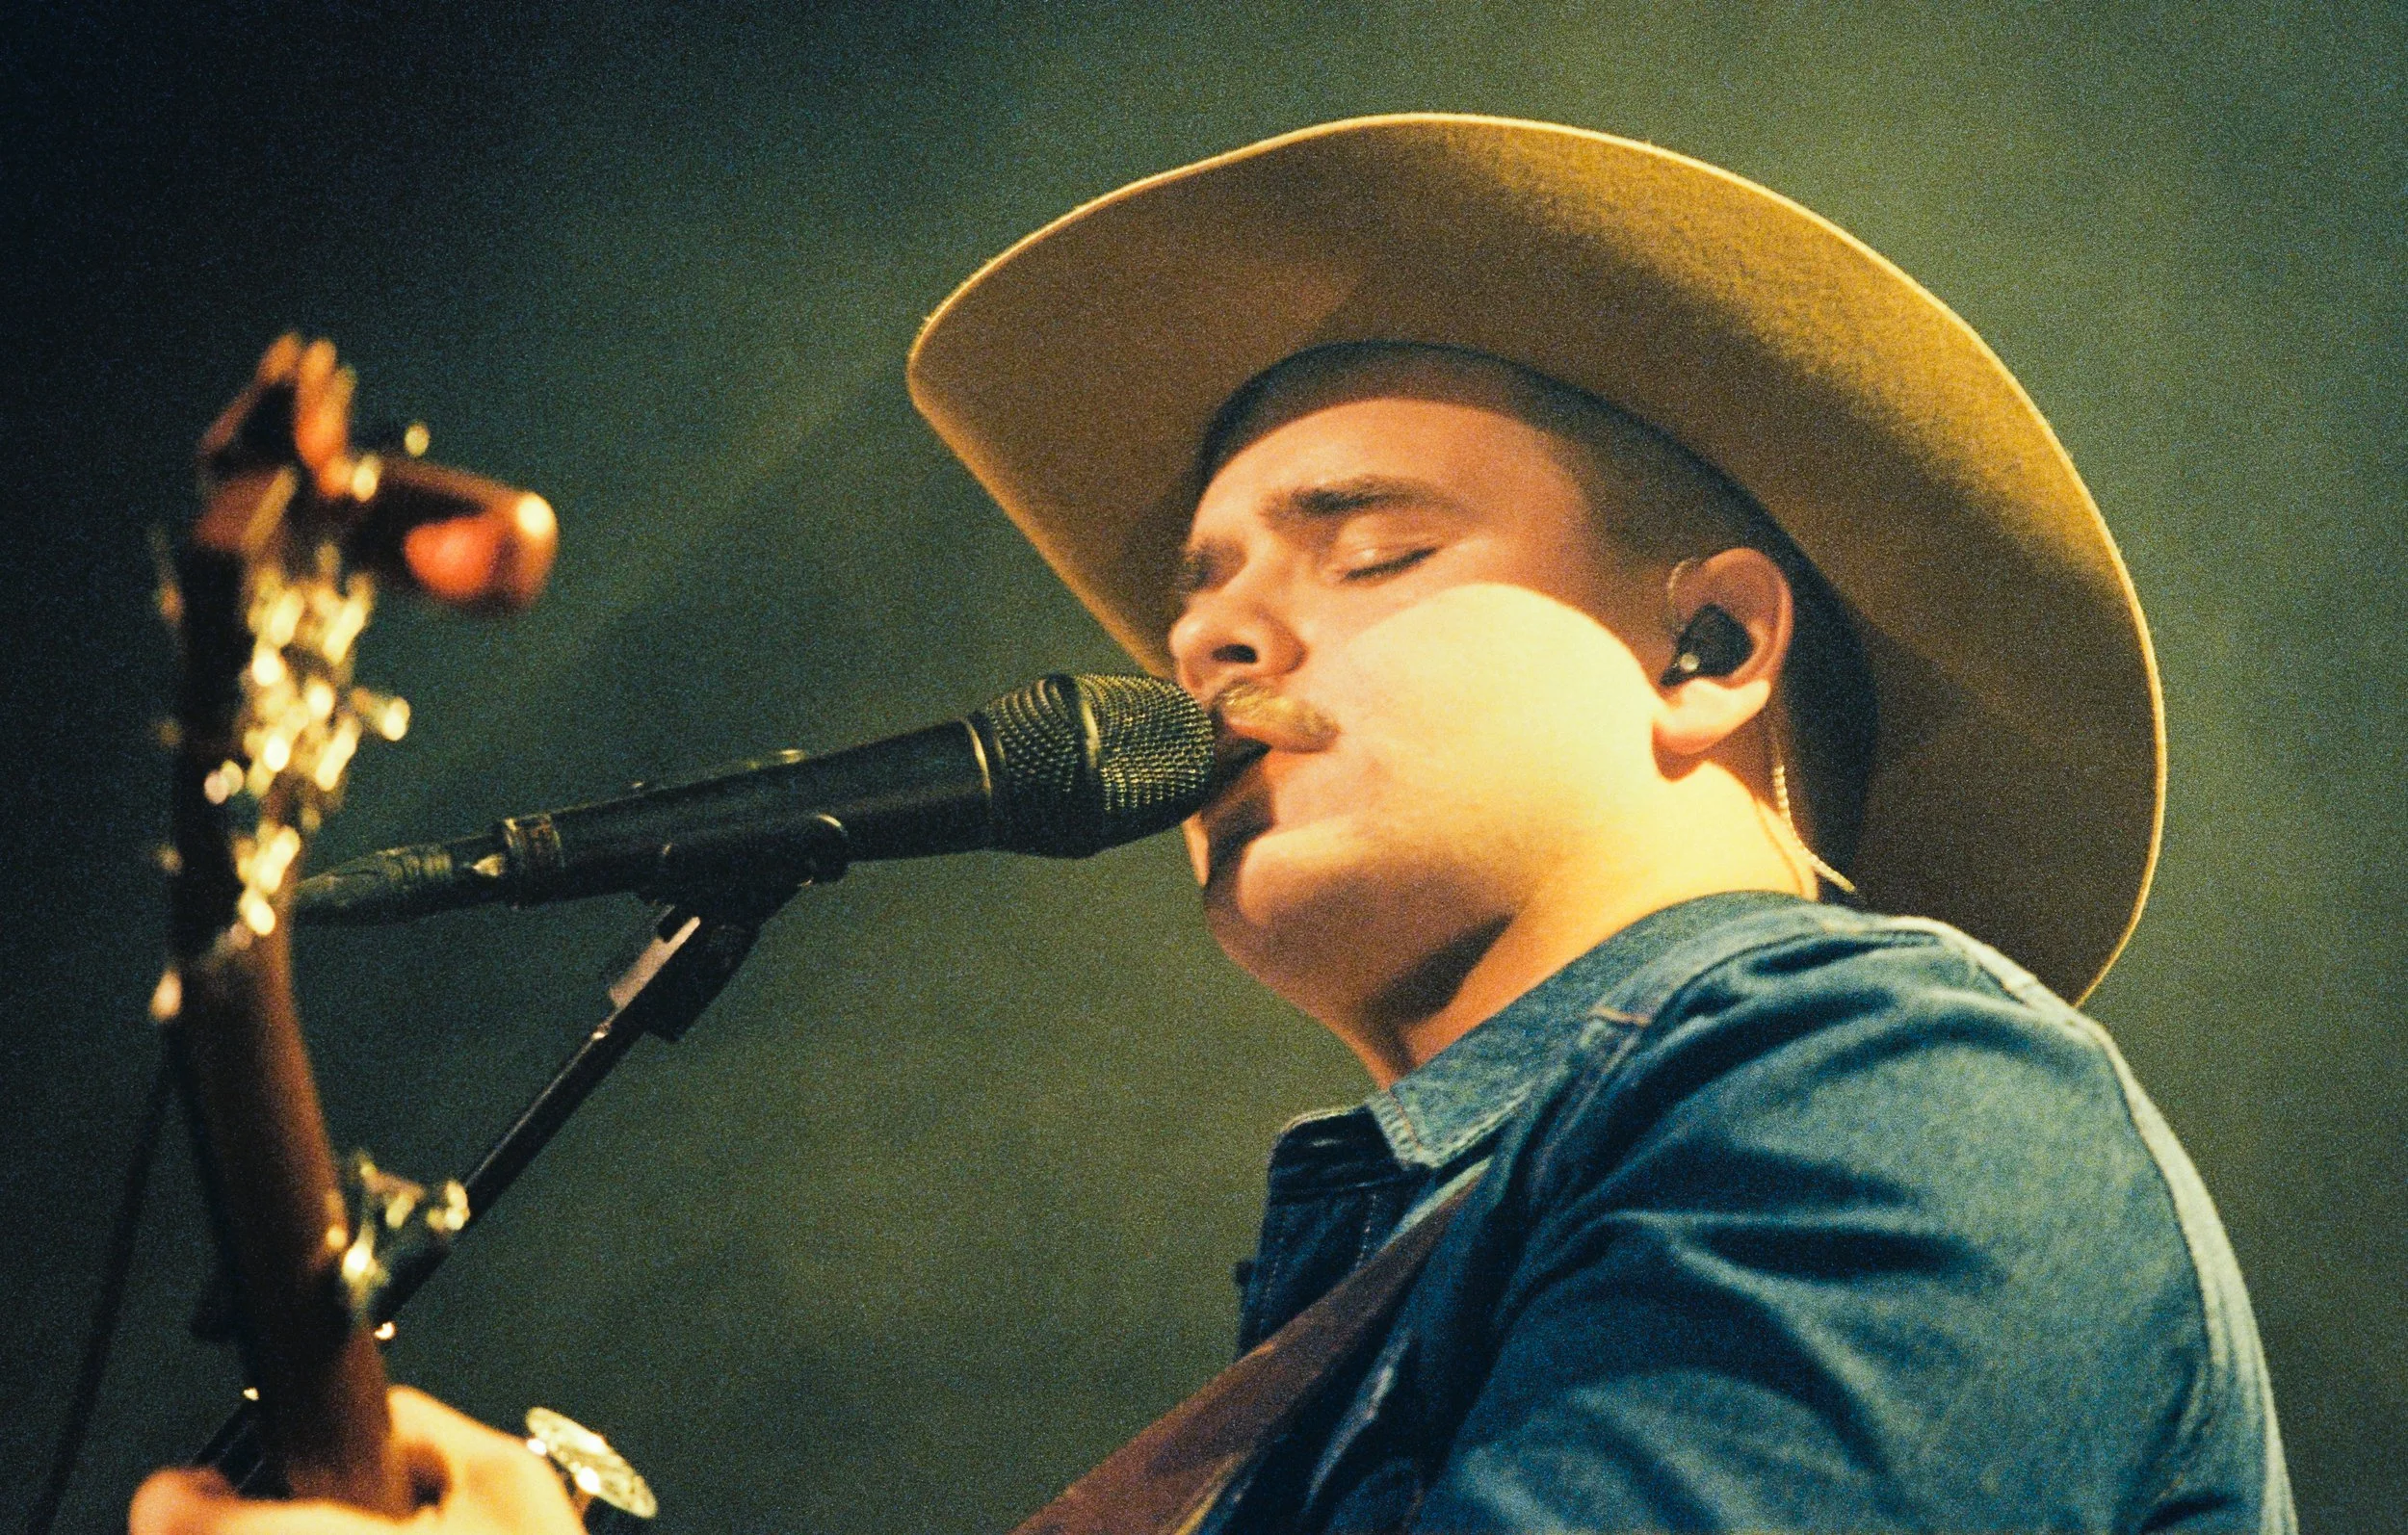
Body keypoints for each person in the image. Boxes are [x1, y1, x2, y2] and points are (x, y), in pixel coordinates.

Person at [135, 116, 2293, 1533]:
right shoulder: (1403, 1264)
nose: (1211, 643)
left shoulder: (1894, 1083)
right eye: (1192, 592)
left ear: (1709, 647)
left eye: (1358, 546)